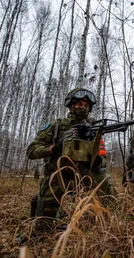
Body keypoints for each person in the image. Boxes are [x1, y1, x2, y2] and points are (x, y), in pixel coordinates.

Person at [26, 88, 116, 231]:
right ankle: (46, 224)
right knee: (43, 226)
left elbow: (103, 158)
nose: (83, 108)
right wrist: (54, 148)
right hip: (58, 173)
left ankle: (115, 221)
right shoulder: (57, 126)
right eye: (79, 104)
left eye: (86, 105)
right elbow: (31, 151)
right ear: (71, 105)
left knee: (104, 178)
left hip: (85, 173)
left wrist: (98, 161)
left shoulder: (94, 128)